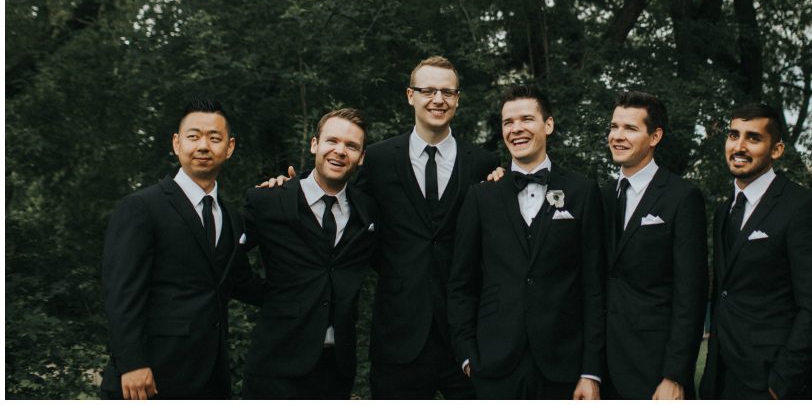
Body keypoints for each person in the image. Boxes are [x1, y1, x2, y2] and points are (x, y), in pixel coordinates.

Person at [448, 84, 604, 400]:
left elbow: (594, 286)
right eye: (508, 122)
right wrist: (466, 354)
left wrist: (590, 371)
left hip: (564, 365)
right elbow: (461, 283)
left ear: (548, 125)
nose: (516, 129)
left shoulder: (583, 192)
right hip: (494, 365)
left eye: (526, 119)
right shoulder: (481, 196)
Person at [100, 99, 263, 399]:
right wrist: (132, 363)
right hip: (150, 376)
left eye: (214, 138)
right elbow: (121, 292)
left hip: (211, 378)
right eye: (193, 136)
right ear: (176, 143)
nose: (203, 146)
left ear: (229, 148)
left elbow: (242, 283)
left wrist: (288, 200)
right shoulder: (142, 207)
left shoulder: (232, 218)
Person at [358, 56, 499, 399]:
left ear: (458, 99)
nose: (438, 99)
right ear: (410, 96)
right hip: (399, 334)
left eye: (447, 92)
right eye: (428, 90)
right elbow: (355, 223)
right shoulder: (377, 159)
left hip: (465, 334)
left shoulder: (484, 163)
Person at [700, 103, 812, 400]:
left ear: (776, 150)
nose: (739, 146)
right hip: (722, 379)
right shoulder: (724, 211)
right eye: (734, 135)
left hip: (775, 382)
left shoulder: (802, 208)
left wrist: (782, 381)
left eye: (753, 138)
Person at [241, 108, 377, 399]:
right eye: (332, 141)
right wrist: (269, 295)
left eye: (351, 146)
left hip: (337, 370)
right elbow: (226, 260)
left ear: (361, 157)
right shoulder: (270, 200)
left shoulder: (369, 210)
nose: (340, 151)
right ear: (315, 144)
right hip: (275, 365)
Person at [603, 91, 707, 400]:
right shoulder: (602, 196)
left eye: (630, 128)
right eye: (614, 127)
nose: (617, 136)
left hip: (655, 366)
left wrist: (675, 374)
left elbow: (691, 294)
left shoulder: (682, 197)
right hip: (604, 365)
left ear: (655, 136)